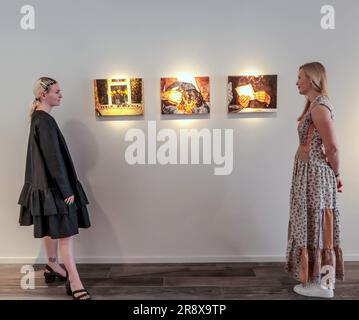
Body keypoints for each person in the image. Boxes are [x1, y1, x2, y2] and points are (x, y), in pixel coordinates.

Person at [18, 77, 91, 300]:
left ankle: (52, 267)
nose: (61, 95)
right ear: (43, 94)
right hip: (56, 188)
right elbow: (53, 159)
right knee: (66, 235)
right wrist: (66, 190)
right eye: (57, 91)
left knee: (51, 229)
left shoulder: (37, 118)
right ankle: (75, 281)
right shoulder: (45, 121)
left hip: (45, 188)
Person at [285, 62, 344, 298]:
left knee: (318, 224)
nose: (297, 81)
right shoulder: (313, 105)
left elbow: (332, 148)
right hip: (308, 175)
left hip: (316, 177)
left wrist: (336, 175)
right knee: (311, 224)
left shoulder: (320, 107)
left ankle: (322, 284)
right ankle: (314, 279)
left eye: (300, 77)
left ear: (312, 79)